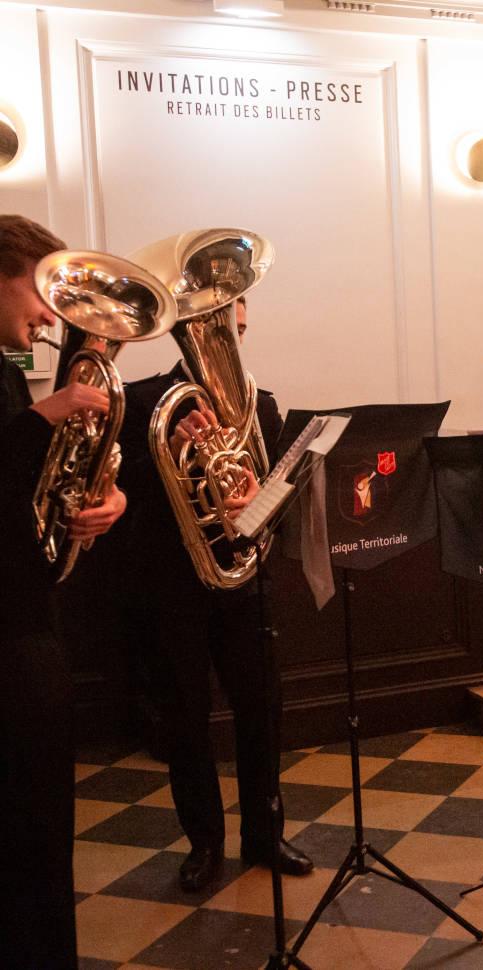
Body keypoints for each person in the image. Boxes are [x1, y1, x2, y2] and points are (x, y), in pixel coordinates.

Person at [117, 296, 313, 892]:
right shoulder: (145, 402)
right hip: (170, 585)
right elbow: (120, 485)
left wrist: (251, 494)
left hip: (241, 578)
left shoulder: (264, 407)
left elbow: (277, 496)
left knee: (262, 710)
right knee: (185, 718)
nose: (230, 349)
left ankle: (265, 833)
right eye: (218, 334)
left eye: (239, 333)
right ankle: (204, 843)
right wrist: (167, 448)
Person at [0, 215, 127, 969]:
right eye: (39, 290)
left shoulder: (10, 375)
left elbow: (29, 501)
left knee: (43, 841)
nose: (51, 315)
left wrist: (102, 505)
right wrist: (42, 421)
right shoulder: (21, 391)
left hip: (31, 627)